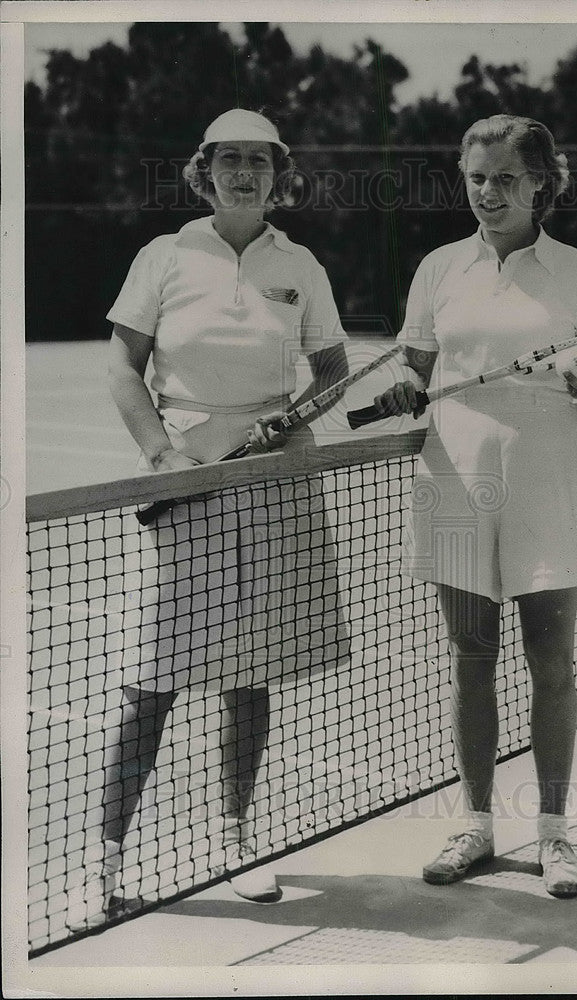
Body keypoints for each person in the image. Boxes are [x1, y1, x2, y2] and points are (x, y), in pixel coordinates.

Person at [67, 109, 350, 929]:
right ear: (204, 170)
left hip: (267, 482)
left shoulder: (300, 264)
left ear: (278, 173)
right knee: (149, 681)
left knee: (246, 673)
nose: (244, 174)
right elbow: (123, 365)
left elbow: (331, 371)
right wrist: (164, 455)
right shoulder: (164, 255)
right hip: (185, 472)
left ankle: (238, 842)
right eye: (229, 160)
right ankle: (104, 865)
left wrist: (295, 419)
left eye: (259, 162)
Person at [372, 114, 577, 898]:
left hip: (547, 475)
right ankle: (476, 826)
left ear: (543, 181)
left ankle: (553, 835)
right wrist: (406, 386)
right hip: (453, 478)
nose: (488, 192)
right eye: (477, 177)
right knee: (470, 658)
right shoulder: (439, 267)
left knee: (550, 662)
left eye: (507, 178)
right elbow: (415, 367)